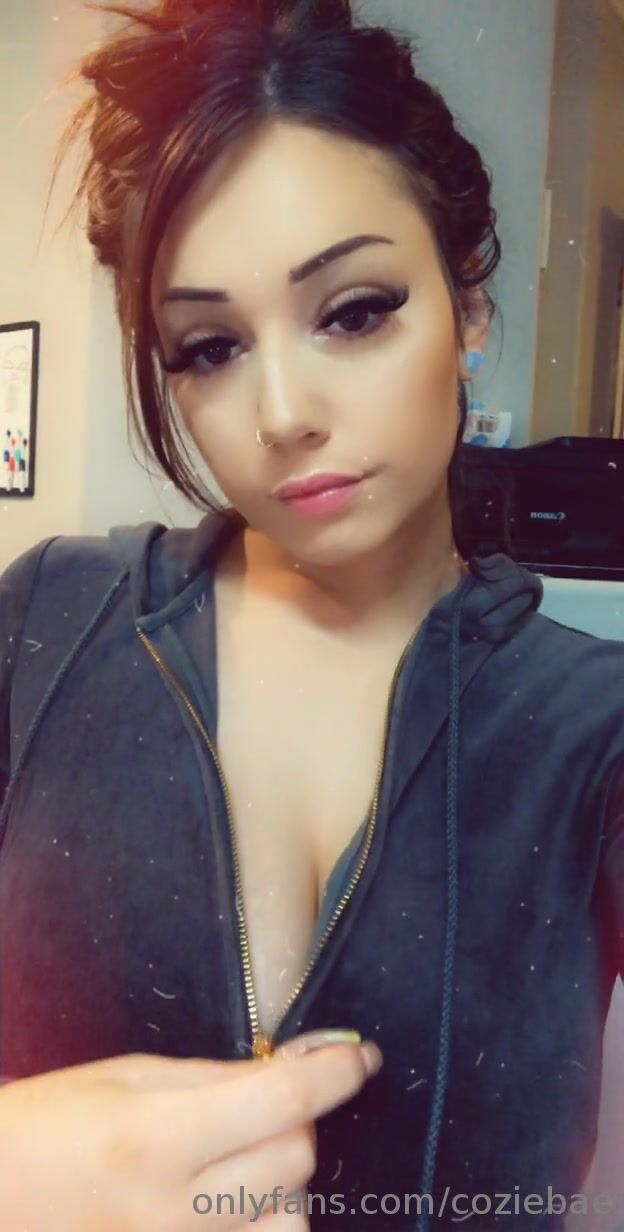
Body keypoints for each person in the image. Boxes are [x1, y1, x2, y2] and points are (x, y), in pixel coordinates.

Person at [0, 0, 622, 1228]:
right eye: (210, 346)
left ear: (469, 304)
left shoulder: (591, 728)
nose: (283, 412)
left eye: (353, 310)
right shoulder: (44, 626)